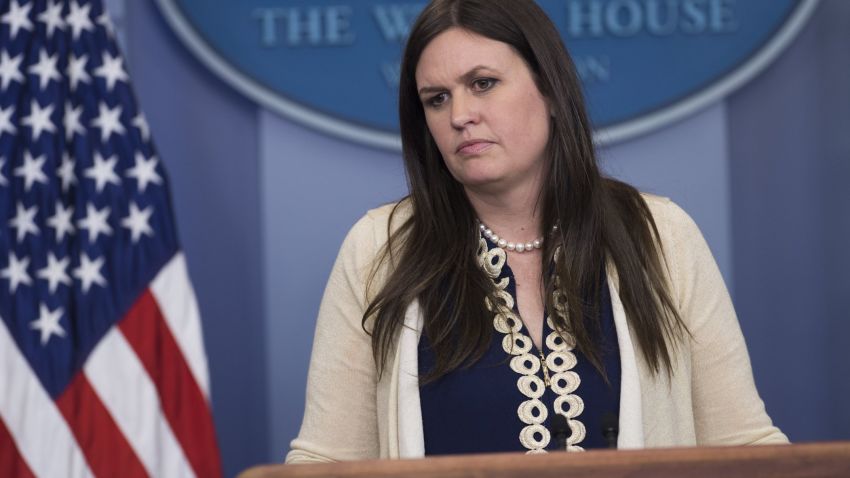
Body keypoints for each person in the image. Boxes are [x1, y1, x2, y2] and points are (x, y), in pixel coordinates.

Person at [285, 0, 787, 463]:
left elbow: (744, 447)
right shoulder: (378, 250)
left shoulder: (661, 235)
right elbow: (325, 464)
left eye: (482, 83)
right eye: (437, 99)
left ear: (549, 89)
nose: (460, 116)